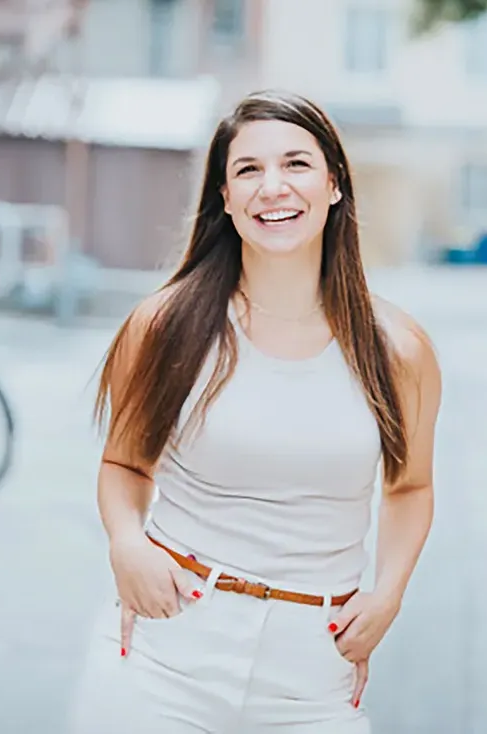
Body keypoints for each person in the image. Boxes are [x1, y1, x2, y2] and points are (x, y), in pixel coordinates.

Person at [67, 90, 443, 733]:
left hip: (312, 674)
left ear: (333, 186)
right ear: (224, 197)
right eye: (248, 170)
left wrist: (389, 596)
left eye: (296, 164)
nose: (273, 187)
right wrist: (127, 544)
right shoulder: (167, 325)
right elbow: (124, 464)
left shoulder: (397, 348)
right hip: (167, 652)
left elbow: (410, 487)